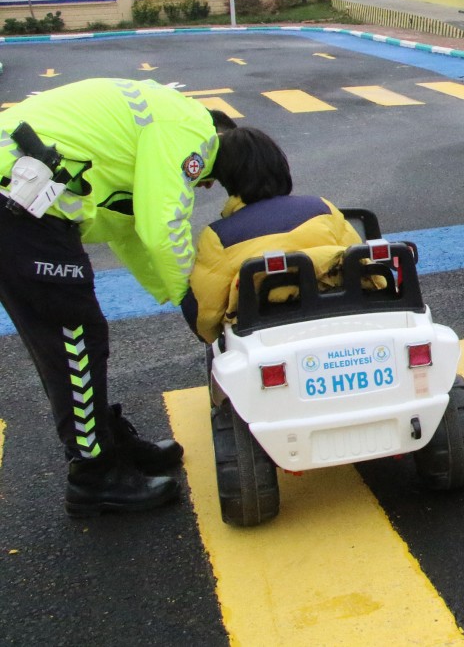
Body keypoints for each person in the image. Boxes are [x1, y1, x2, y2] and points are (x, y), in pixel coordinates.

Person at [0, 78, 235, 517]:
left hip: (22, 201)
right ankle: (95, 475)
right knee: (74, 341)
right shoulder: (192, 127)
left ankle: (105, 441)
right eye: (209, 176)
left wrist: (172, 292)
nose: (204, 183)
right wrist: (194, 301)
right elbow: (163, 226)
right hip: (17, 204)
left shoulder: (156, 124)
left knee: (75, 336)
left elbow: (129, 230)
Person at [183, 127, 365, 344]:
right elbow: (361, 265)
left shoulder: (219, 237)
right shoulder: (323, 208)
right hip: (343, 322)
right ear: (281, 166)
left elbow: (205, 316)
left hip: (267, 337)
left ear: (226, 180)